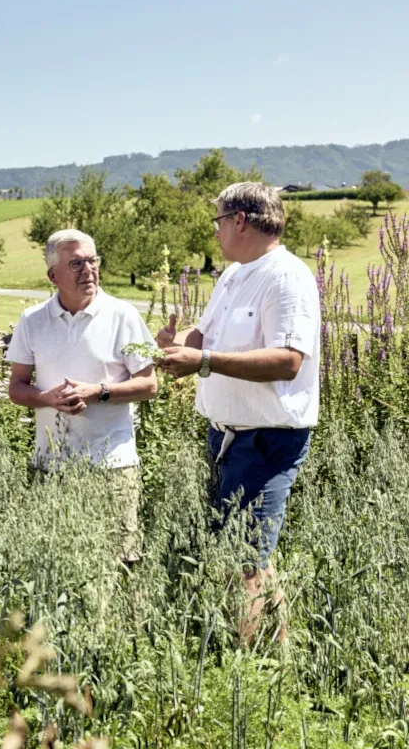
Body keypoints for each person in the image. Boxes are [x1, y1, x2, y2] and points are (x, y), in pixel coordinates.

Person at [155, 181, 320, 642]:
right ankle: (276, 655)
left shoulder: (286, 277)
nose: (217, 233)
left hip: (266, 439)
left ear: (240, 221)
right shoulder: (233, 275)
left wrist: (202, 362)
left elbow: (288, 360)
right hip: (227, 436)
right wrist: (177, 346)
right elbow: (204, 335)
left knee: (245, 560)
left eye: (219, 221)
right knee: (247, 556)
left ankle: (245, 669)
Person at [6, 229, 158, 562]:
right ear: (52, 275)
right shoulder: (32, 320)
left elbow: (149, 384)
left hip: (113, 465)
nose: (87, 270)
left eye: (92, 260)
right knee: (56, 562)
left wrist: (98, 392)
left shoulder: (123, 315)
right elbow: (16, 387)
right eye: (76, 263)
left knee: (121, 563)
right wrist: (48, 398)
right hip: (52, 464)